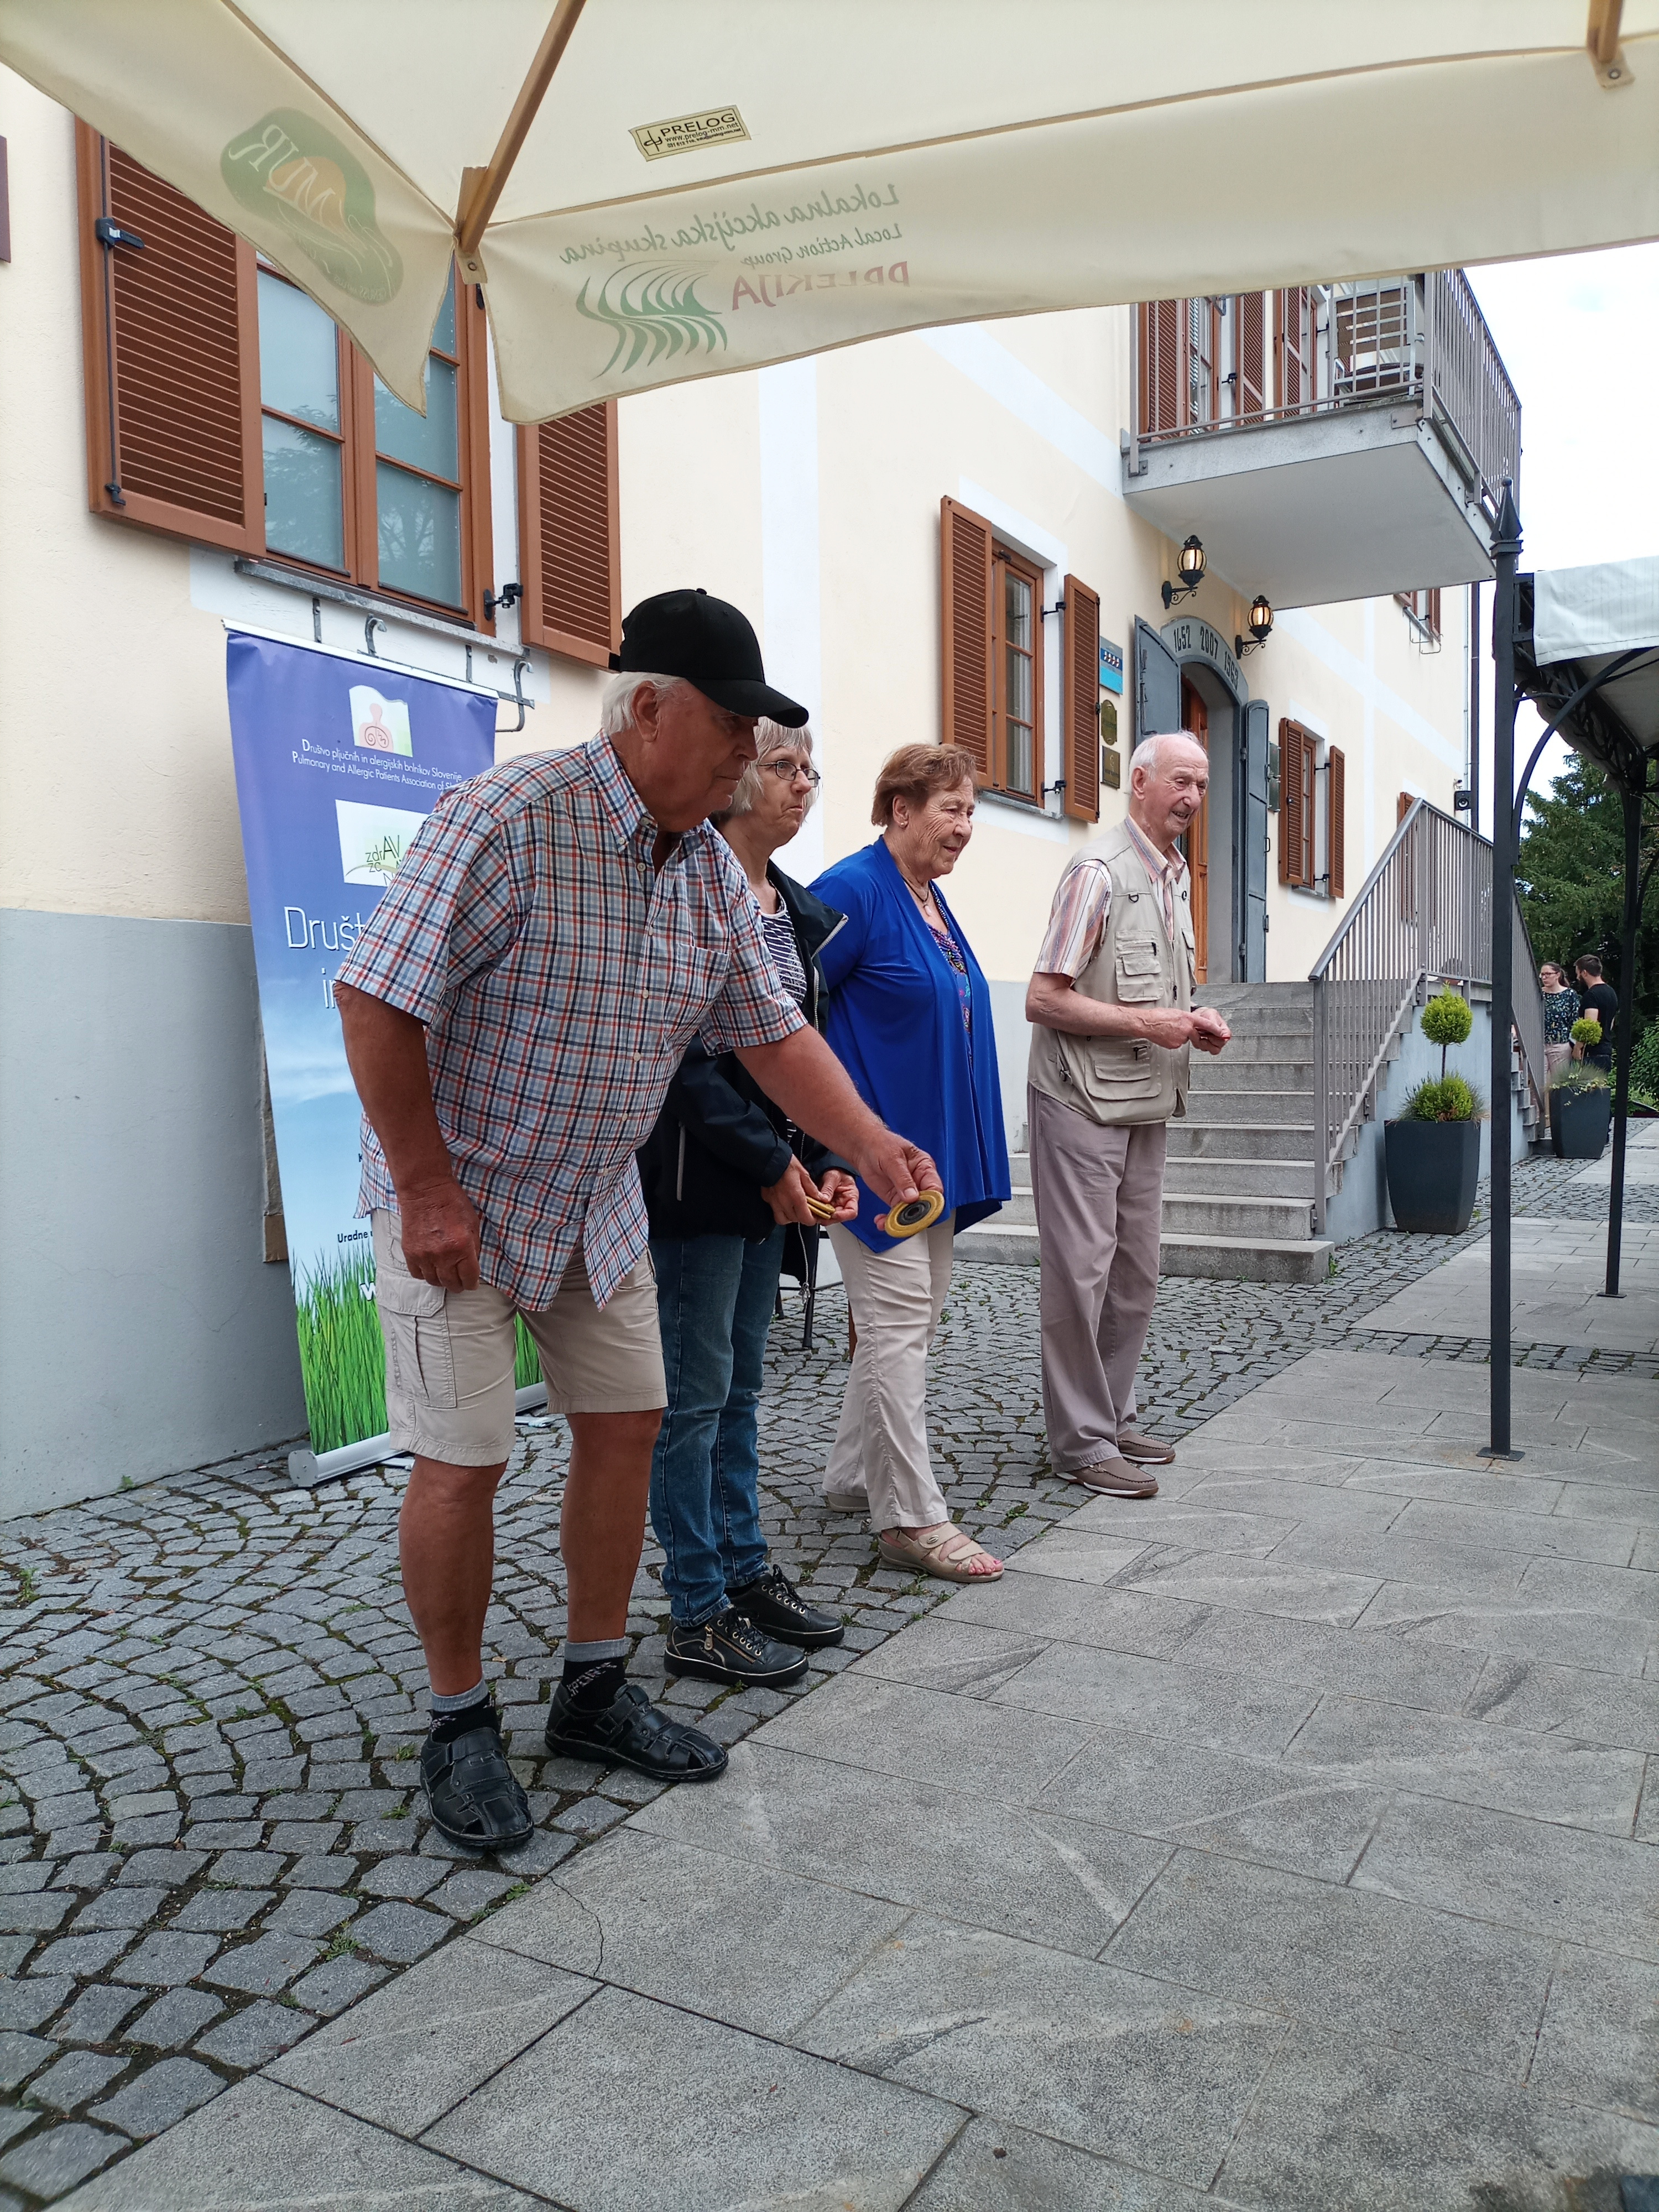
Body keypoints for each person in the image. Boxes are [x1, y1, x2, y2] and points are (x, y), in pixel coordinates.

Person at [333, 589, 940, 1851]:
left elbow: (772, 1035)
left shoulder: (708, 869)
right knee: (465, 1459)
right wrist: (427, 1188)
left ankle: (594, 1686)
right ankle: (458, 1719)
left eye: (761, 732)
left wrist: (871, 1143)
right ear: (649, 710)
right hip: (460, 1192)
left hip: (594, 1198)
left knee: (626, 1427)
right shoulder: (507, 816)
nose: (750, 753)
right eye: (733, 724)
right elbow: (375, 999)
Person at [636, 718, 853, 1687]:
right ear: (736, 780)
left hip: (774, 1186)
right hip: (701, 1182)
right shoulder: (685, 886)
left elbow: (801, 1052)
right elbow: (681, 1057)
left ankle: (743, 1568)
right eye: (781, 765)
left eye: (811, 768)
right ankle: (696, 1606)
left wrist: (825, 1156)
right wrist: (771, 1161)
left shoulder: (794, 909)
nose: (803, 783)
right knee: (691, 1401)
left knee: (741, 1392)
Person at [811, 743, 1011, 1584]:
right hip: (870, 1158)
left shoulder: (928, 896)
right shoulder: (854, 889)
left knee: (913, 1322)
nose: (964, 827)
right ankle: (910, 1517)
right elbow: (789, 1013)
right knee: (896, 1327)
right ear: (900, 809)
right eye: (950, 809)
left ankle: (852, 1475)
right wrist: (826, 1145)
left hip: (931, 1159)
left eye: (971, 812)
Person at [1025, 732, 1232, 1496]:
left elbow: (1151, 994)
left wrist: (1191, 1021)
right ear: (1139, 781)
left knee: (1136, 1271)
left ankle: (1112, 1416)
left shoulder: (1171, 875)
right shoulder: (1098, 872)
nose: (1193, 798)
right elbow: (1043, 999)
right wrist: (1151, 1023)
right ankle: (1081, 1443)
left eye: (1202, 785)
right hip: (1079, 1099)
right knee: (1079, 1276)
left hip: (1145, 1102)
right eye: (1181, 781)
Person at [1540, 961, 1580, 1119]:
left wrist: (1573, 1044)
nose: (1544, 977)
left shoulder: (1569, 995)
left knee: (1560, 1084)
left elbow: (1575, 1021)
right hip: (1540, 1043)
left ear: (1557, 975)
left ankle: (1560, 1119)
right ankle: (1540, 1119)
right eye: (1542, 975)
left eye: (1547, 974)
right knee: (1539, 1084)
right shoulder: (1539, 994)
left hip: (1561, 1044)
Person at [1574, 954, 1618, 1072]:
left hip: (1592, 1053)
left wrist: (1578, 1047)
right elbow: (1611, 1023)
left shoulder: (1591, 995)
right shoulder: (1611, 992)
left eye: (1578, 973)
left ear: (1584, 973)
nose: (1577, 977)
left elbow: (1590, 1025)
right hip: (1606, 1050)